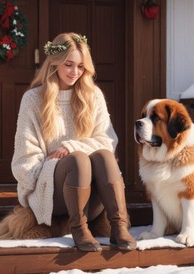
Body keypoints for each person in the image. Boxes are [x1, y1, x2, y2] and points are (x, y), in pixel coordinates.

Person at [11, 32, 136, 251]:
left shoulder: (93, 95)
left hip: (92, 198)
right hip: (51, 195)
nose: (75, 72)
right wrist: (54, 168)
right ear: (55, 63)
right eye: (69, 65)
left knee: (104, 155)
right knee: (78, 160)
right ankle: (78, 229)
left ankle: (119, 227)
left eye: (80, 66)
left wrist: (69, 146)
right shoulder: (32, 100)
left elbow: (107, 141)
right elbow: (24, 161)